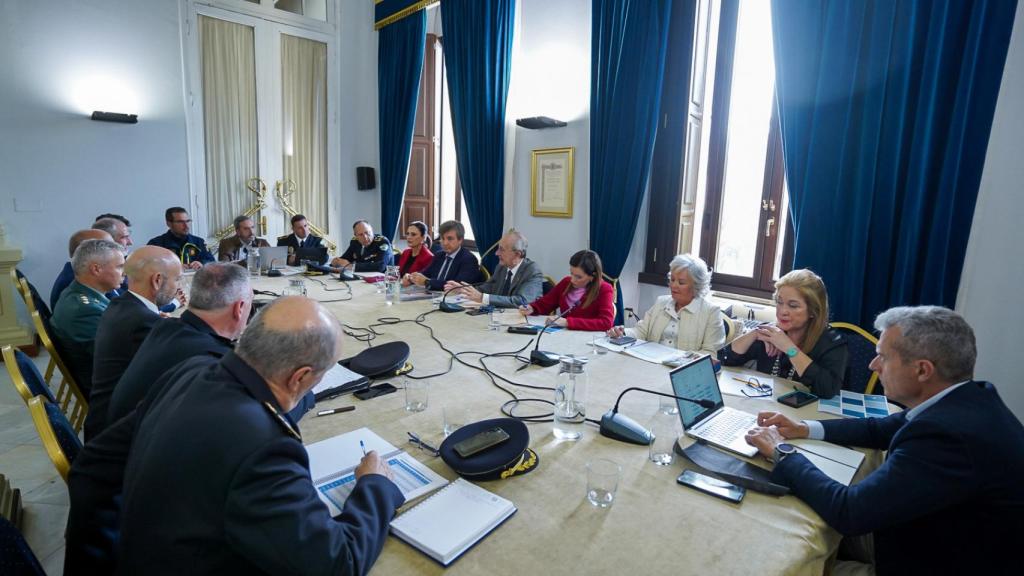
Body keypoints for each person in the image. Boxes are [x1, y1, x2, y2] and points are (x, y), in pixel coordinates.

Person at [115, 297, 403, 574]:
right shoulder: (264, 450)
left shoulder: (192, 370)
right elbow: (338, 562)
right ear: (300, 377)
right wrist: (375, 485)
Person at [744, 306, 1024, 575]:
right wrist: (804, 428)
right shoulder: (966, 398)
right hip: (928, 532)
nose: (873, 365)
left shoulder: (947, 438)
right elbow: (879, 429)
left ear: (923, 370)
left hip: (933, 561)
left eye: (883, 357)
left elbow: (849, 511)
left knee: (780, 562)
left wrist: (783, 451)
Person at [107, 262, 313, 423]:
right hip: (144, 466)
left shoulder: (167, 328)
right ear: (240, 308)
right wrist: (306, 393)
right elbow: (267, 419)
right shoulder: (216, 362)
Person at [83, 246, 181, 441]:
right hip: (117, 435)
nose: (179, 286)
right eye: (177, 279)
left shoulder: (122, 305)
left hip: (106, 417)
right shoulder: (142, 322)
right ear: (157, 280)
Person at [719, 269, 848, 399]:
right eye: (779, 302)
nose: (782, 311)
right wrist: (754, 333)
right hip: (767, 409)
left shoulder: (833, 342)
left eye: (793, 306)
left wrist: (789, 348)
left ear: (812, 311)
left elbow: (827, 389)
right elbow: (724, 360)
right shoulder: (771, 332)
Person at [608, 254, 725, 357]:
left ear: (696, 285)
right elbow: (642, 332)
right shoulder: (661, 302)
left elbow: (711, 353)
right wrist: (623, 333)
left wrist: (682, 358)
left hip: (680, 370)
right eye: (672, 279)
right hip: (651, 364)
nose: (673, 286)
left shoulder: (711, 312)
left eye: (681, 282)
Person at [51, 239, 125, 398]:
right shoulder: (84, 310)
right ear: (96, 269)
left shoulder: (80, 295)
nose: (124, 273)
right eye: (119, 266)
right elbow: (117, 358)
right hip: (111, 392)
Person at [520, 249, 615, 331]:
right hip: (563, 336)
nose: (573, 280)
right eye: (571, 273)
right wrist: (532, 308)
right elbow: (545, 304)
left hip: (588, 341)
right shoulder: (566, 282)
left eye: (578, 277)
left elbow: (606, 323)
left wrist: (568, 322)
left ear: (592, 276)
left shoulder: (604, 289)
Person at [447, 228, 543, 309]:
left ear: (517, 254)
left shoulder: (532, 271)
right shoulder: (501, 267)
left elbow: (522, 301)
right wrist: (463, 290)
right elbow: (486, 288)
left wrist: (482, 297)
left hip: (522, 321)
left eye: (502, 249)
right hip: (497, 317)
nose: (496, 253)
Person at [50, 229, 114, 311]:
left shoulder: (73, 272)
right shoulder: (75, 280)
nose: (116, 251)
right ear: (86, 251)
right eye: (110, 247)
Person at [406, 220, 481, 290]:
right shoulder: (439, 255)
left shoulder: (468, 259)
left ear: (460, 240)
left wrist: (427, 282)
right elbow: (425, 273)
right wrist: (411, 277)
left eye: (450, 239)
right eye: (442, 238)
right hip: (433, 296)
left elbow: (456, 286)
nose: (445, 243)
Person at [147, 207, 215, 269]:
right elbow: (148, 266)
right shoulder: (156, 244)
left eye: (188, 221)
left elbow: (212, 262)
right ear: (169, 224)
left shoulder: (199, 242)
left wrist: (201, 263)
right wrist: (172, 266)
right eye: (180, 222)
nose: (186, 226)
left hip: (195, 280)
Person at [329, 219, 393, 273]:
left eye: (367, 233)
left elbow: (380, 266)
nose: (365, 237)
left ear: (372, 231)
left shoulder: (382, 242)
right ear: (356, 236)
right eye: (360, 235)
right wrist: (336, 262)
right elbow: (345, 259)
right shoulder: (355, 242)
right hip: (362, 277)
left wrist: (351, 266)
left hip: (383, 279)